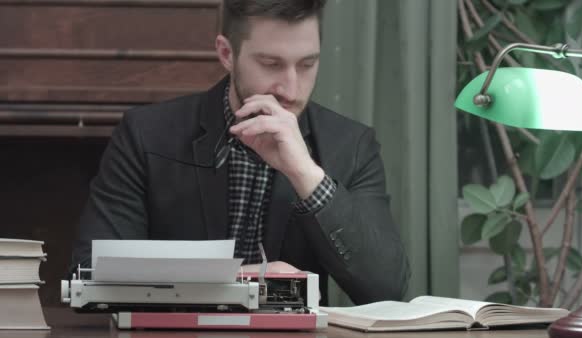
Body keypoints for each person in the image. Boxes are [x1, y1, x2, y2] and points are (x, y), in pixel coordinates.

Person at [71, 0, 409, 305]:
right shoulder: (145, 135)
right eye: (270, 64)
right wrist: (247, 282)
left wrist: (306, 174)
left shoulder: (351, 145)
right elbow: (89, 273)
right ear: (226, 53)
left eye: (307, 65)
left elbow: (387, 289)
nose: (291, 89)